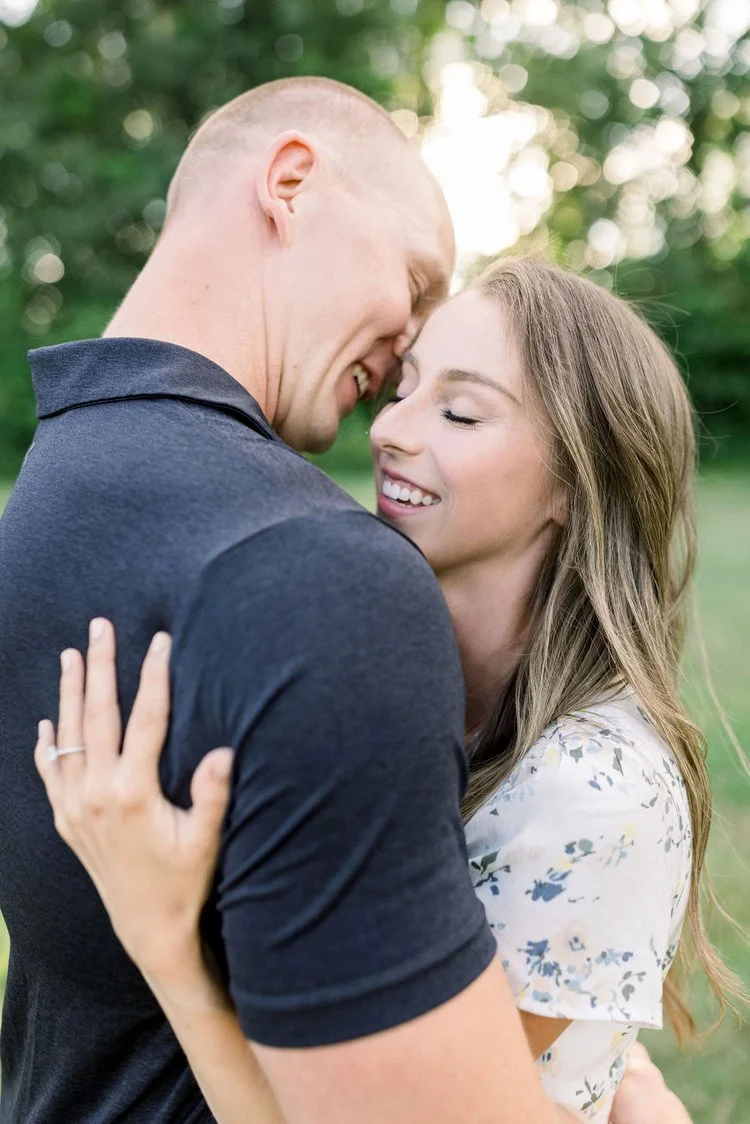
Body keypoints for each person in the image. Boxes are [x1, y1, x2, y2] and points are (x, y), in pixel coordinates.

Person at [35, 258, 732, 1122]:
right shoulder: (402, 679)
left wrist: (161, 940)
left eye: (460, 411)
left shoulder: (590, 794)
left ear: (576, 478)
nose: (391, 429)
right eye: (404, 388)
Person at [0, 76, 573, 1124]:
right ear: (292, 181)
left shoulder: (45, 503)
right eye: (416, 278)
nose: (408, 345)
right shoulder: (324, 576)